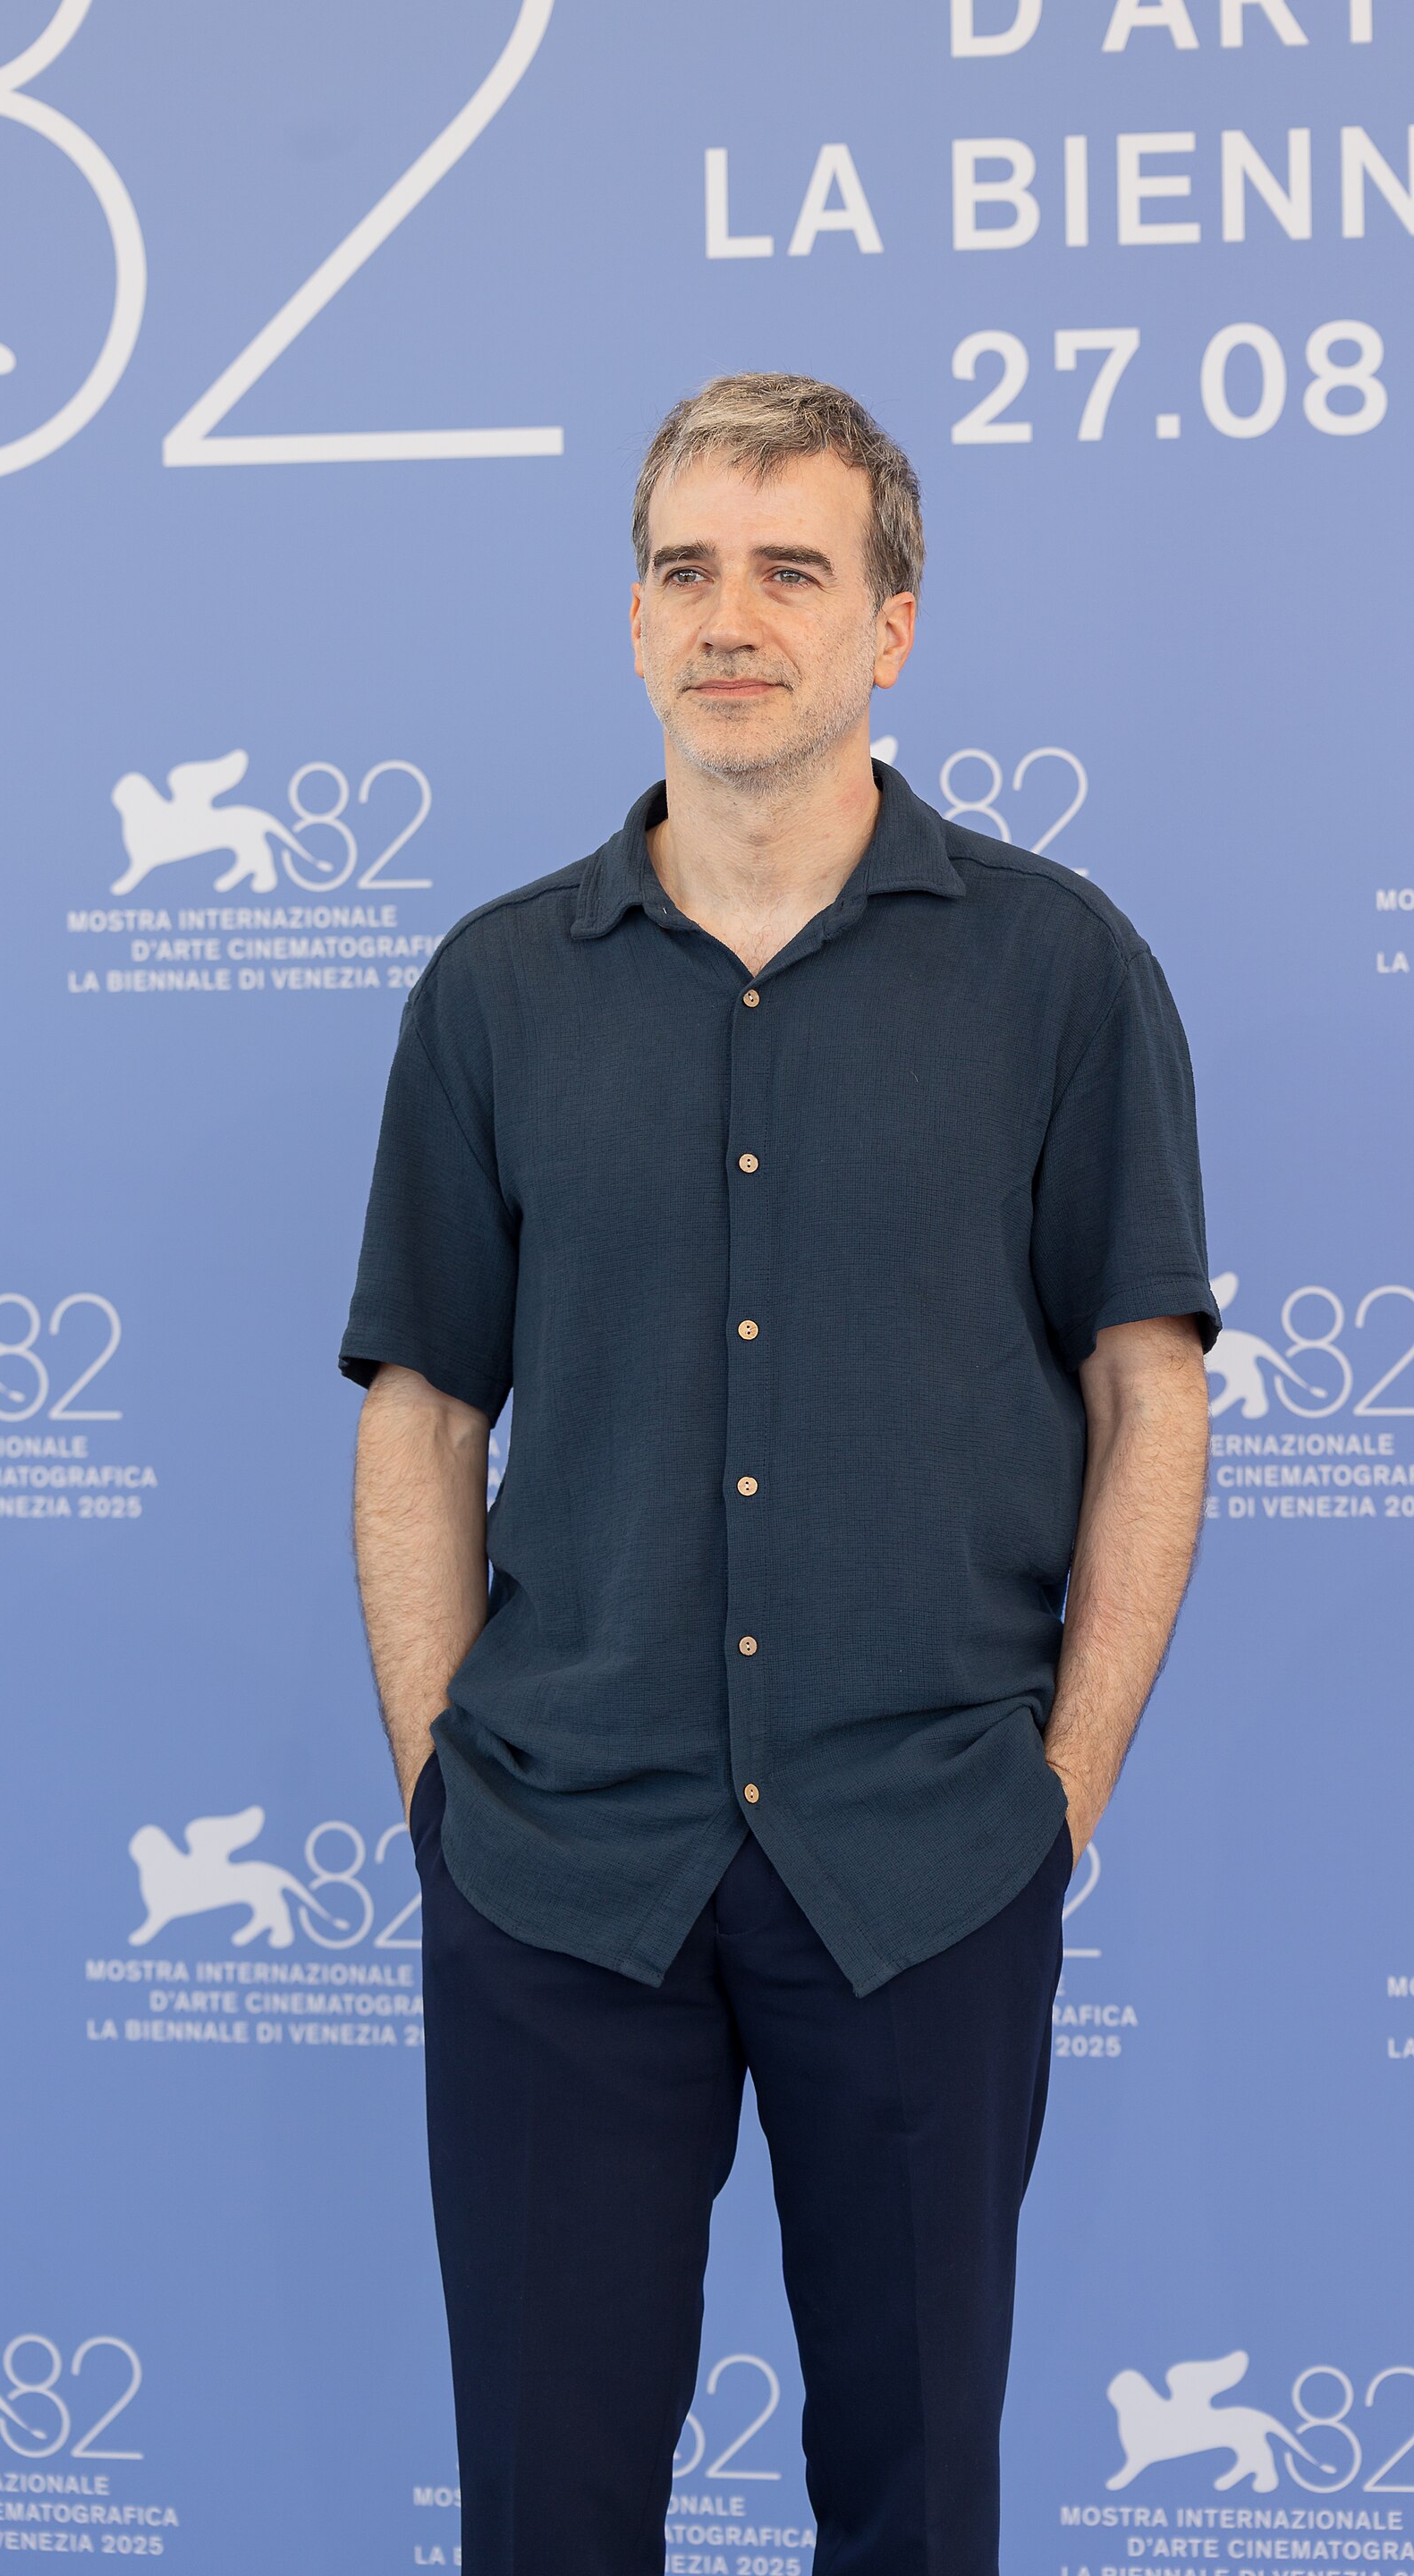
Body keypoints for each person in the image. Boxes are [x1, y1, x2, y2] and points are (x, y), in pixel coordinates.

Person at [339, 372, 1218, 2576]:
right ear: (633, 621)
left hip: (926, 1861)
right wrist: (449, 1794)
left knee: (918, 2516)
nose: (733, 617)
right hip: (559, 1872)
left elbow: (1150, 1394)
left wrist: (1058, 1793)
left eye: (792, 571)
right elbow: (422, 1416)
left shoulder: (1061, 974)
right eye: (686, 570)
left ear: (891, 625)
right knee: (549, 2515)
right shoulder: (493, 993)